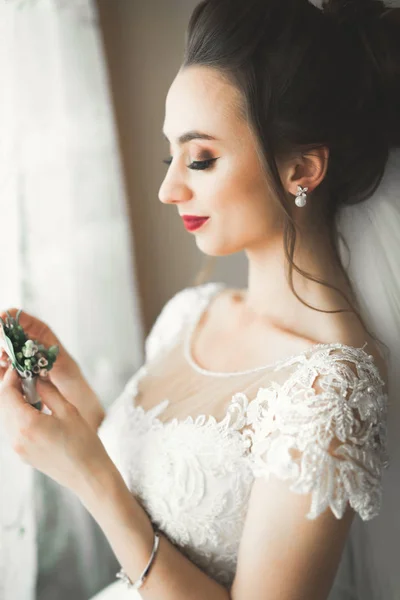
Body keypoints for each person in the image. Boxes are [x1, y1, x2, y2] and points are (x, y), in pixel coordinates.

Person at [0, 0, 399, 598]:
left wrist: (87, 476)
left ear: (303, 169)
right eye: (171, 156)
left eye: (201, 158)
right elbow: (166, 512)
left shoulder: (331, 391)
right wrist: (75, 396)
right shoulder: (192, 314)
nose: (168, 188)